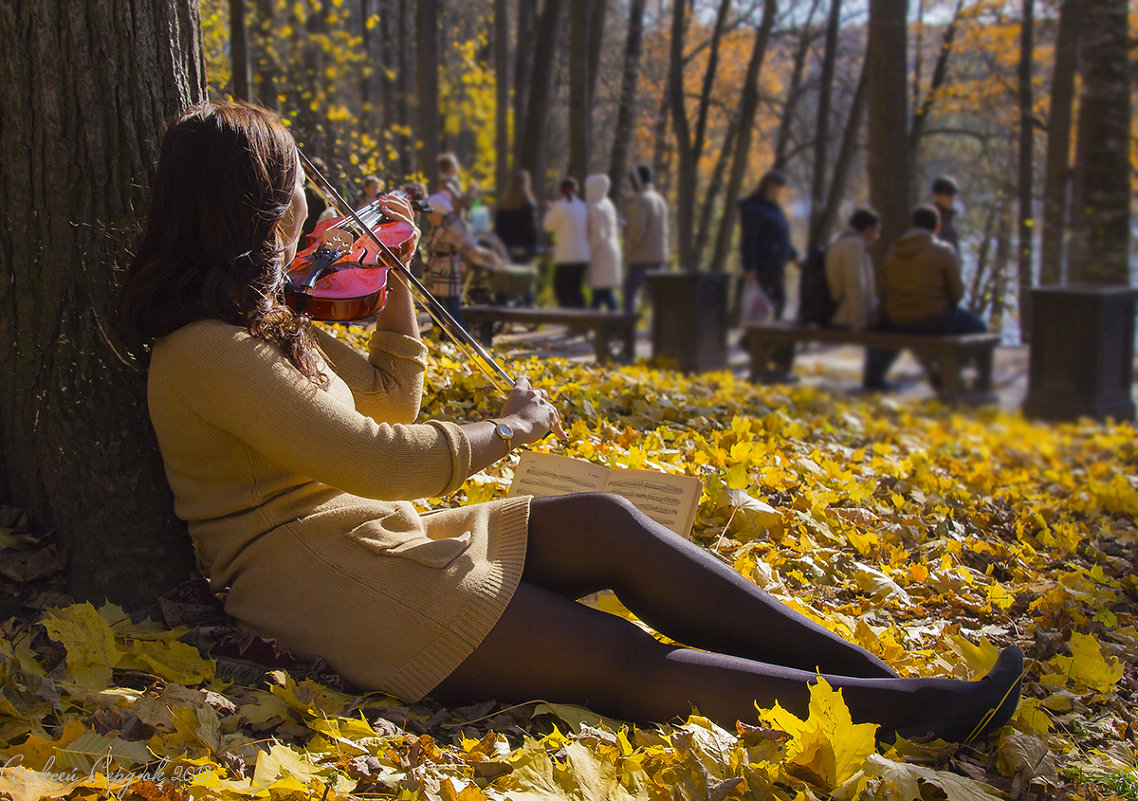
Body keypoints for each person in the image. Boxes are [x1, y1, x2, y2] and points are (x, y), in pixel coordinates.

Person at [119, 101, 1023, 741]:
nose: (309, 206)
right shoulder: (203, 348)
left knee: (605, 522)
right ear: (256, 205)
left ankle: (876, 677)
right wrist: (509, 431)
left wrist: (393, 282)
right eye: (292, 187)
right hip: (320, 576)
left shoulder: (267, 324)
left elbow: (392, 401)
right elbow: (382, 456)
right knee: (627, 662)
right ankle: (918, 712)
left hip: (373, 534)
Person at [864, 205, 987, 390]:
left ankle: (874, 378)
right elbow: (958, 292)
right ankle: (960, 375)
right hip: (932, 320)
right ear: (937, 228)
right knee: (979, 327)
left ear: (912, 225)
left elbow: (885, 287)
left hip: (898, 320)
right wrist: (944, 304)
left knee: (893, 328)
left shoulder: (893, 251)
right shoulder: (943, 251)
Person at [420, 193, 500, 334]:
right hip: (434, 272)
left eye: (431, 213)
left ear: (439, 212)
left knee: (452, 309)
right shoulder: (438, 225)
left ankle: (462, 339)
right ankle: (441, 337)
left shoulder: (453, 226)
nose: (429, 217)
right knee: (433, 306)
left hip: (447, 272)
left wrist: (487, 256)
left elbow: (468, 246)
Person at [738, 170, 799, 321]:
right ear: (768, 187)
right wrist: (750, 266)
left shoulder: (774, 209)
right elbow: (750, 238)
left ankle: (762, 339)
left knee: (774, 303)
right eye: (777, 187)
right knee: (776, 302)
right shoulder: (755, 209)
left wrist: (793, 255)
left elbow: (779, 236)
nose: (779, 191)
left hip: (776, 264)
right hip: (764, 264)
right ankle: (763, 339)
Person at [825, 208, 881, 332]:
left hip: (839, 313)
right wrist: (859, 321)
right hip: (845, 317)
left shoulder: (840, 241)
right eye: (876, 231)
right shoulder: (854, 245)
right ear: (868, 229)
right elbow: (854, 283)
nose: (877, 237)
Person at [622, 164, 669, 314]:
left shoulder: (640, 200)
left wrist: (629, 247)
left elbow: (637, 231)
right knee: (658, 297)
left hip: (641, 257)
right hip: (658, 256)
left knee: (629, 291)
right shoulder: (660, 199)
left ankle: (626, 328)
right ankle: (664, 328)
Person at [542, 177, 590, 309]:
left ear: (561, 191)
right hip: (582, 255)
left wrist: (550, 210)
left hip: (565, 256)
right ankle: (584, 319)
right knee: (576, 290)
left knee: (561, 290)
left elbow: (548, 226)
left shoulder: (559, 206)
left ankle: (572, 320)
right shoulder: (583, 206)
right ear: (577, 191)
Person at [584, 173, 622, 311]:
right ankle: (594, 323)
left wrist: (589, 251)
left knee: (603, 292)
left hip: (601, 253)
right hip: (611, 250)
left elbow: (597, 234)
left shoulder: (596, 207)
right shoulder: (608, 204)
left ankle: (615, 322)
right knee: (601, 293)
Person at [494, 169, 540, 264]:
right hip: (523, 248)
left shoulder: (504, 204)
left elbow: (498, 228)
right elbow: (531, 228)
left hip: (506, 247)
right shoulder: (528, 204)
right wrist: (533, 246)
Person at [437, 152, 477, 218]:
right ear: (449, 167)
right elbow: (459, 203)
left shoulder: (450, 183)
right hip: (451, 223)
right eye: (454, 164)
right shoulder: (447, 185)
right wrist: (471, 191)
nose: (457, 166)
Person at [931, 176, 961, 254]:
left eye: (953, 194)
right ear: (936, 195)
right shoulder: (930, 218)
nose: (951, 198)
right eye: (947, 194)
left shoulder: (951, 218)